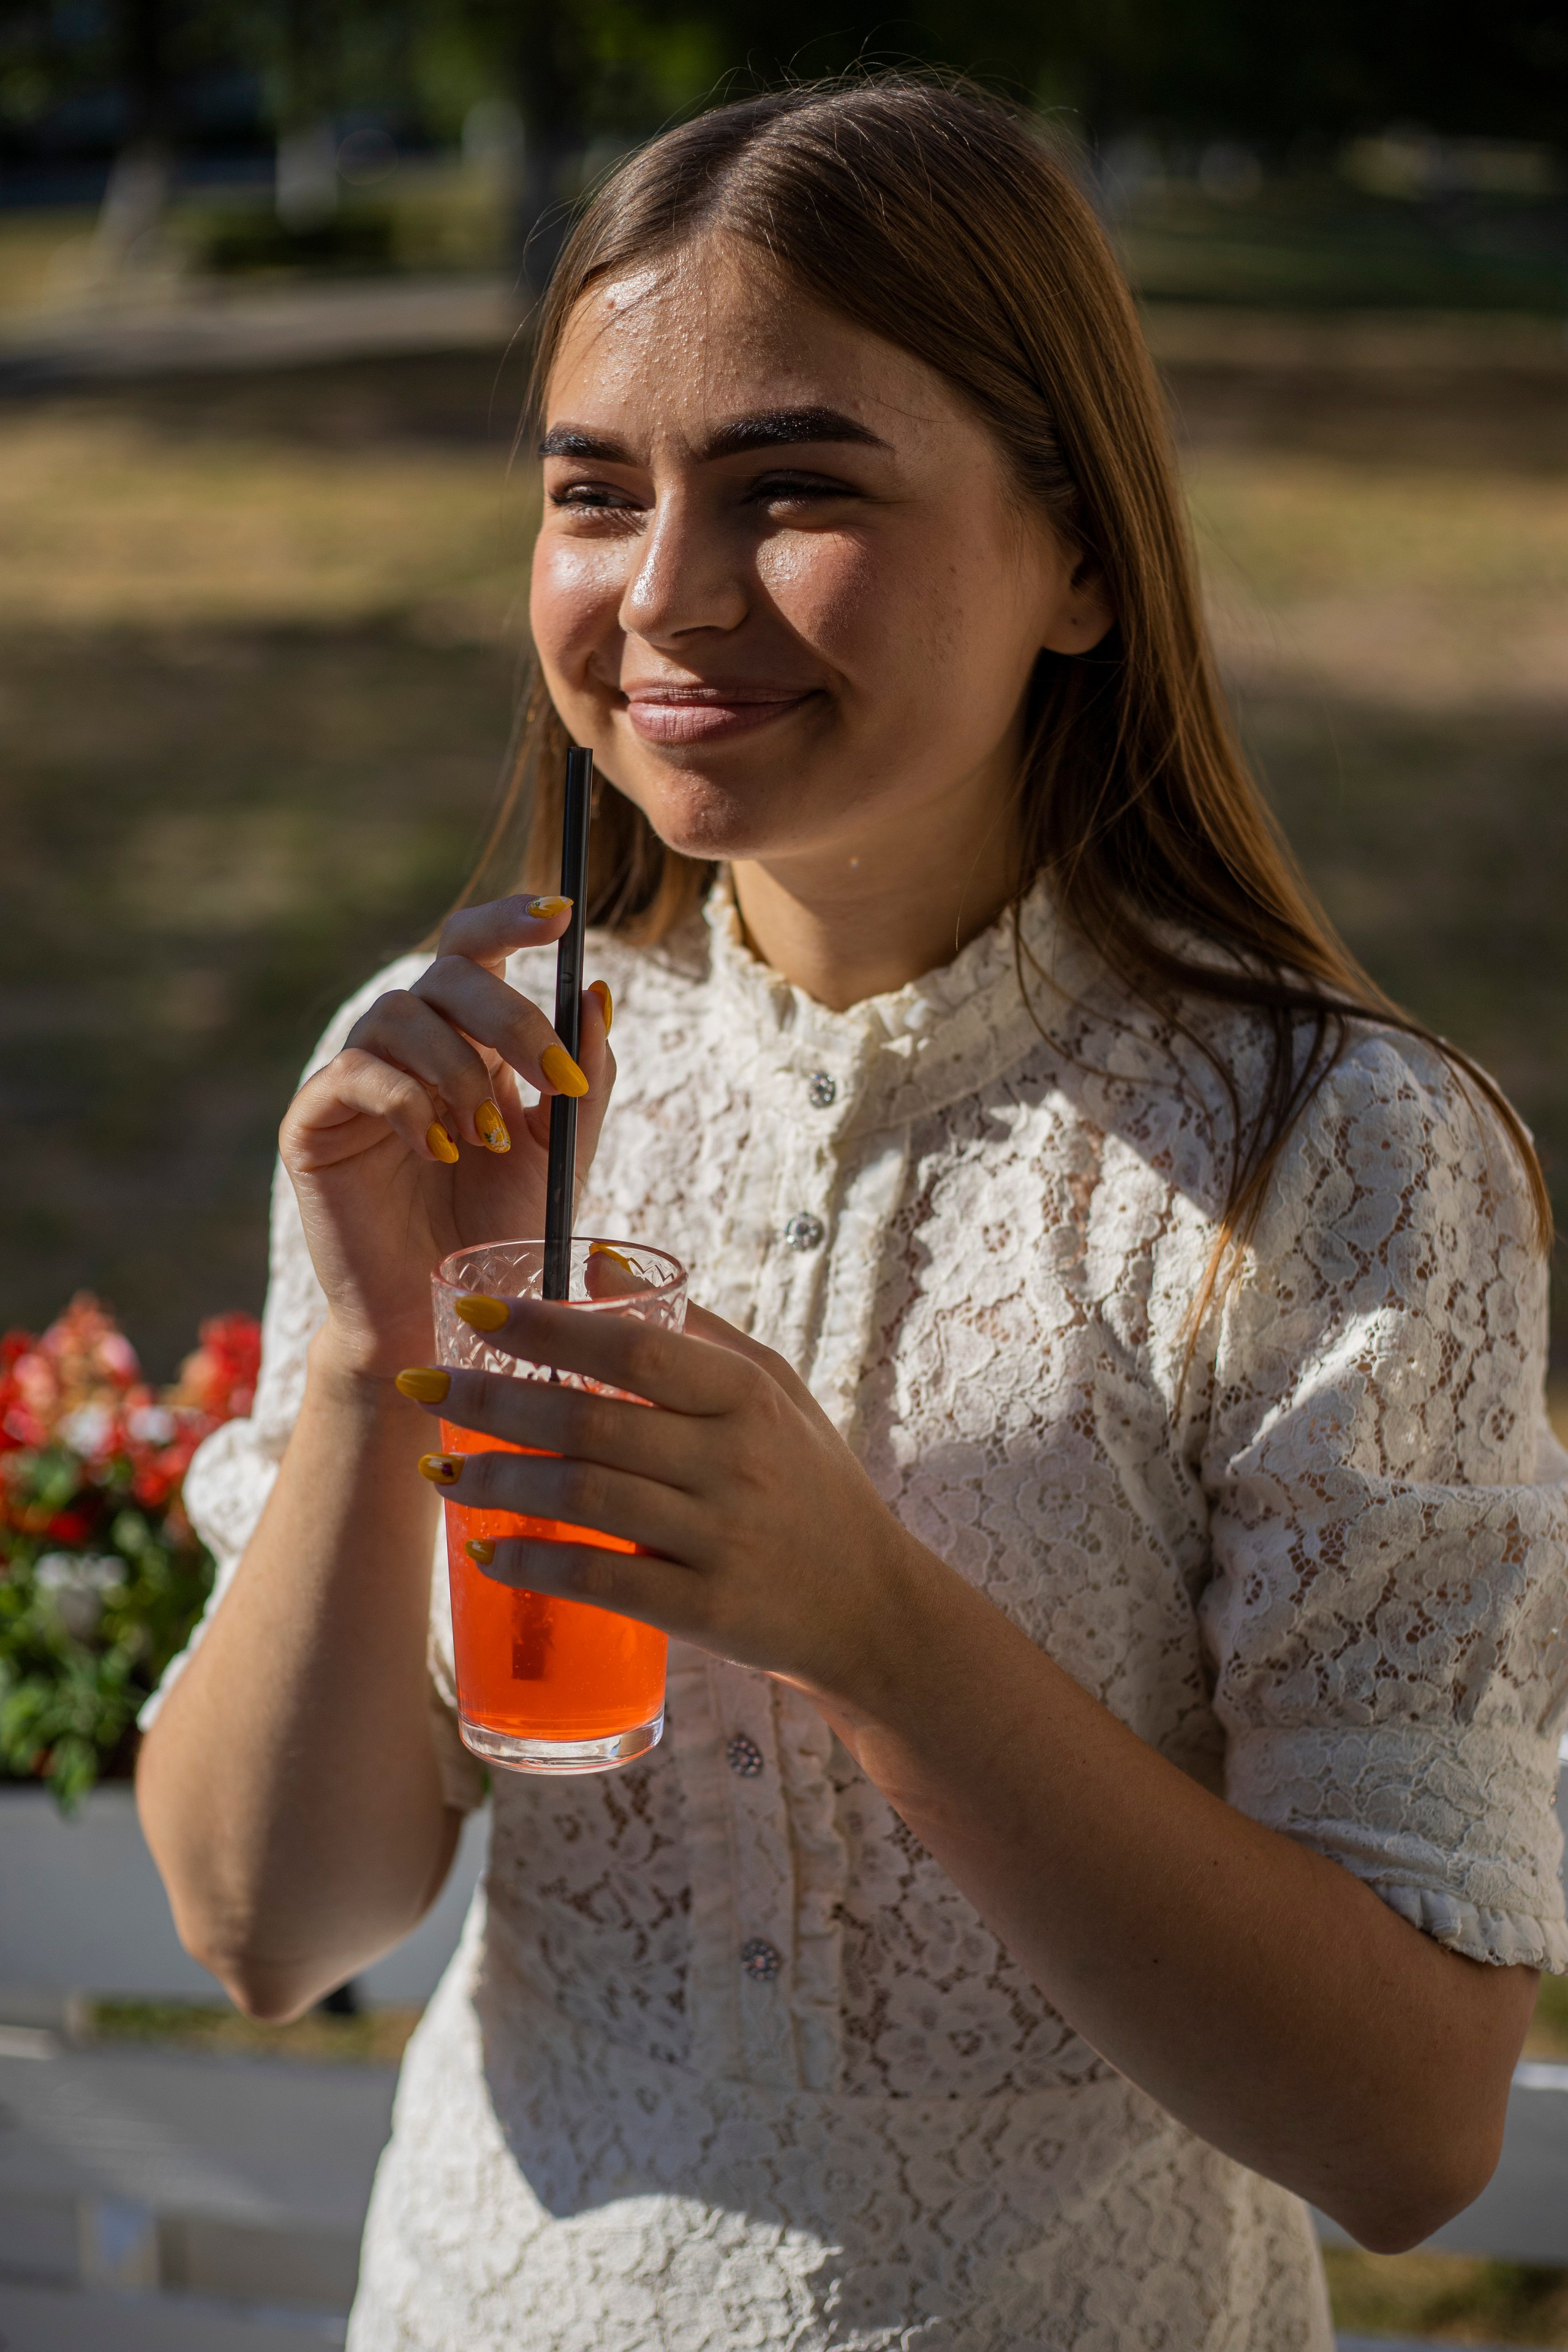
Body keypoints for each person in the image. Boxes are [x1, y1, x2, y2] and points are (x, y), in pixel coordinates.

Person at [137, 75, 1568, 2352]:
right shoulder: (492, 1078)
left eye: (797, 490)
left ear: (1082, 559)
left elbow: (1410, 2136)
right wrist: (357, 1360)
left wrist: (873, 1625)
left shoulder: (1338, 1157)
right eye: (593, 494)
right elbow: (260, 1923)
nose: (668, 596)